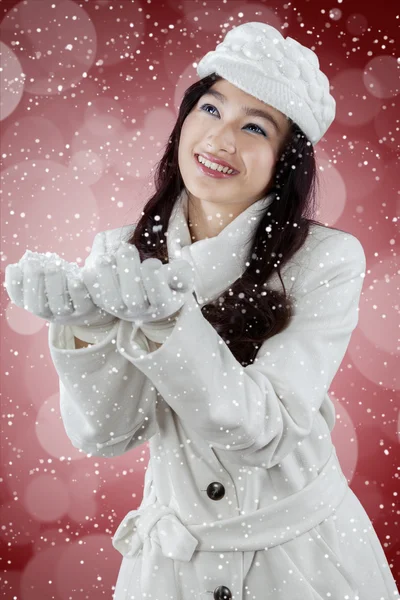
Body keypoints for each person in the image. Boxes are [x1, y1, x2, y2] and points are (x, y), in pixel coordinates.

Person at [5, 21, 399, 600]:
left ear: (286, 160)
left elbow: (266, 430)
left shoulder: (328, 261)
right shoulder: (122, 252)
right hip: (172, 565)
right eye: (211, 110)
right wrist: (82, 329)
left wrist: (170, 323)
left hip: (301, 559)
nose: (221, 139)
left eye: (254, 127)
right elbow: (104, 436)